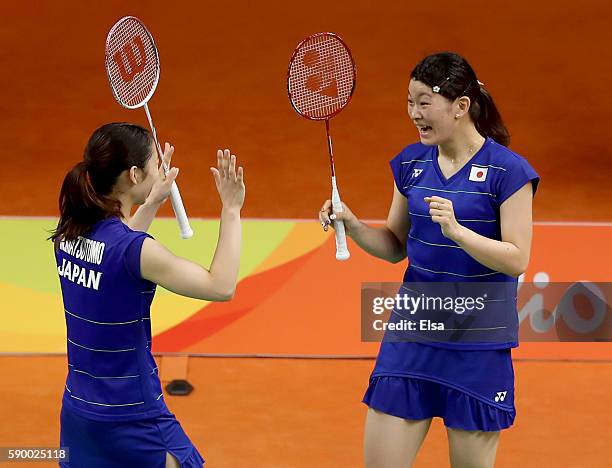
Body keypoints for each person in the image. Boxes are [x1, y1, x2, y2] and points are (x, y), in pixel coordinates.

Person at [319, 52, 539, 467]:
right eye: (409, 102)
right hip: (414, 330)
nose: (414, 114)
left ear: (460, 107)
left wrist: (458, 232)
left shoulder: (507, 173)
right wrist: (352, 223)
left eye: (424, 103)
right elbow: (394, 245)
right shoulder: (411, 164)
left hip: (478, 341)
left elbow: (516, 259)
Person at [50, 122, 245, 467]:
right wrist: (231, 209)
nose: (162, 169)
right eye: (156, 164)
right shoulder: (139, 251)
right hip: (134, 417)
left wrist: (152, 201)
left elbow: (114, 259)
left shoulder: (68, 232)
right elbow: (222, 285)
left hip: (79, 415)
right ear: (135, 175)